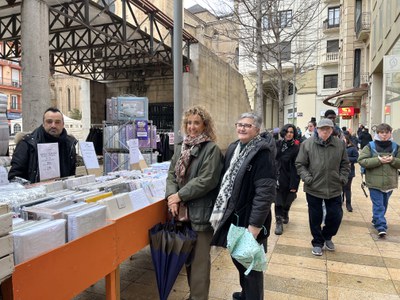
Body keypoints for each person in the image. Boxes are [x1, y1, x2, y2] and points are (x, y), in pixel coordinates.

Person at [210, 112, 276, 300]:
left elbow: (265, 194)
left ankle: (253, 296)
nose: (242, 128)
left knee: (252, 266)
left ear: (257, 129)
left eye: (247, 125)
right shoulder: (233, 148)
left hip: (251, 220)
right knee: (239, 259)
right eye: (239, 124)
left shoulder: (263, 154)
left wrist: (254, 227)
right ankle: (246, 293)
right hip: (235, 216)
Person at [165, 105, 223, 300]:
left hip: (201, 213)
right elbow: (172, 175)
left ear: (205, 125)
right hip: (182, 212)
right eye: (189, 123)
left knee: (199, 263)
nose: (192, 127)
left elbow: (207, 180)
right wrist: (172, 199)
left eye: (196, 123)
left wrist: (179, 196)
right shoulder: (182, 147)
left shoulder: (211, 149)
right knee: (188, 259)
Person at [295, 119, 350, 256]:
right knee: (315, 217)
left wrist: (342, 178)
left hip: (334, 187)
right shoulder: (307, 144)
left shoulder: (339, 144)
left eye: (328, 129)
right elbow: (300, 164)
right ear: (316, 130)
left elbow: (345, 164)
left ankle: (327, 236)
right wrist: (307, 178)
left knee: (335, 216)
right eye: (322, 129)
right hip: (314, 187)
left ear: (332, 130)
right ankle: (318, 242)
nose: (325, 132)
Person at [8, 107, 77, 183]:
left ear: (63, 124)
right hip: (35, 192)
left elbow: (71, 174)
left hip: (63, 191)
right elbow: (14, 177)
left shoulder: (69, 145)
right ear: (43, 124)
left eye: (57, 122)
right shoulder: (27, 144)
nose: (53, 125)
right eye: (49, 122)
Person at [358, 123, 400, 237]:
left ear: (390, 133)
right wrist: (378, 160)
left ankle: (376, 219)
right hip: (374, 183)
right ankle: (381, 226)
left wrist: (392, 160)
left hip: (390, 183)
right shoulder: (370, 146)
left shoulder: (396, 146)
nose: (384, 135)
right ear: (378, 134)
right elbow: (361, 160)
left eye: (386, 133)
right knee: (379, 205)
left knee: (384, 204)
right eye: (381, 133)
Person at [274, 124, 300, 235]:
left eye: (291, 132)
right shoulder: (277, 144)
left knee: (288, 200)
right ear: (283, 132)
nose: (289, 134)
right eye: (287, 132)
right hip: (278, 177)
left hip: (290, 178)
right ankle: (278, 222)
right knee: (278, 201)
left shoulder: (296, 148)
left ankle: (286, 212)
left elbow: (297, 167)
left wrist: (294, 184)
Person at [343, 134, 359, 212]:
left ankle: (348, 203)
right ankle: (341, 200)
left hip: (349, 171)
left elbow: (356, 159)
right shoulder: (340, 147)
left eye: (343, 139)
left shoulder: (353, 148)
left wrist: (346, 159)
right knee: (340, 187)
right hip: (339, 170)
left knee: (347, 188)